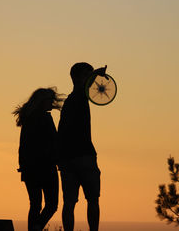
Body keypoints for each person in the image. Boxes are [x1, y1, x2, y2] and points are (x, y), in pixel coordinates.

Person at [57, 62, 106, 231]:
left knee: (71, 202)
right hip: (83, 157)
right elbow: (82, 89)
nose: (90, 80)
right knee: (90, 200)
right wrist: (96, 74)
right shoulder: (77, 97)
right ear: (77, 78)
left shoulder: (72, 101)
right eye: (87, 75)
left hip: (69, 159)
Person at [13, 87, 64, 231]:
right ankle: (37, 227)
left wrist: (22, 165)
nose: (52, 103)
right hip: (46, 168)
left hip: (30, 169)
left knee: (35, 204)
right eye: (49, 100)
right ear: (42, 101)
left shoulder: (28, 118)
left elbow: (23, 145)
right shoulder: (45, 118)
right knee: (51, 205)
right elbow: (54, 141)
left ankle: (35, 228)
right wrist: (58, 160)